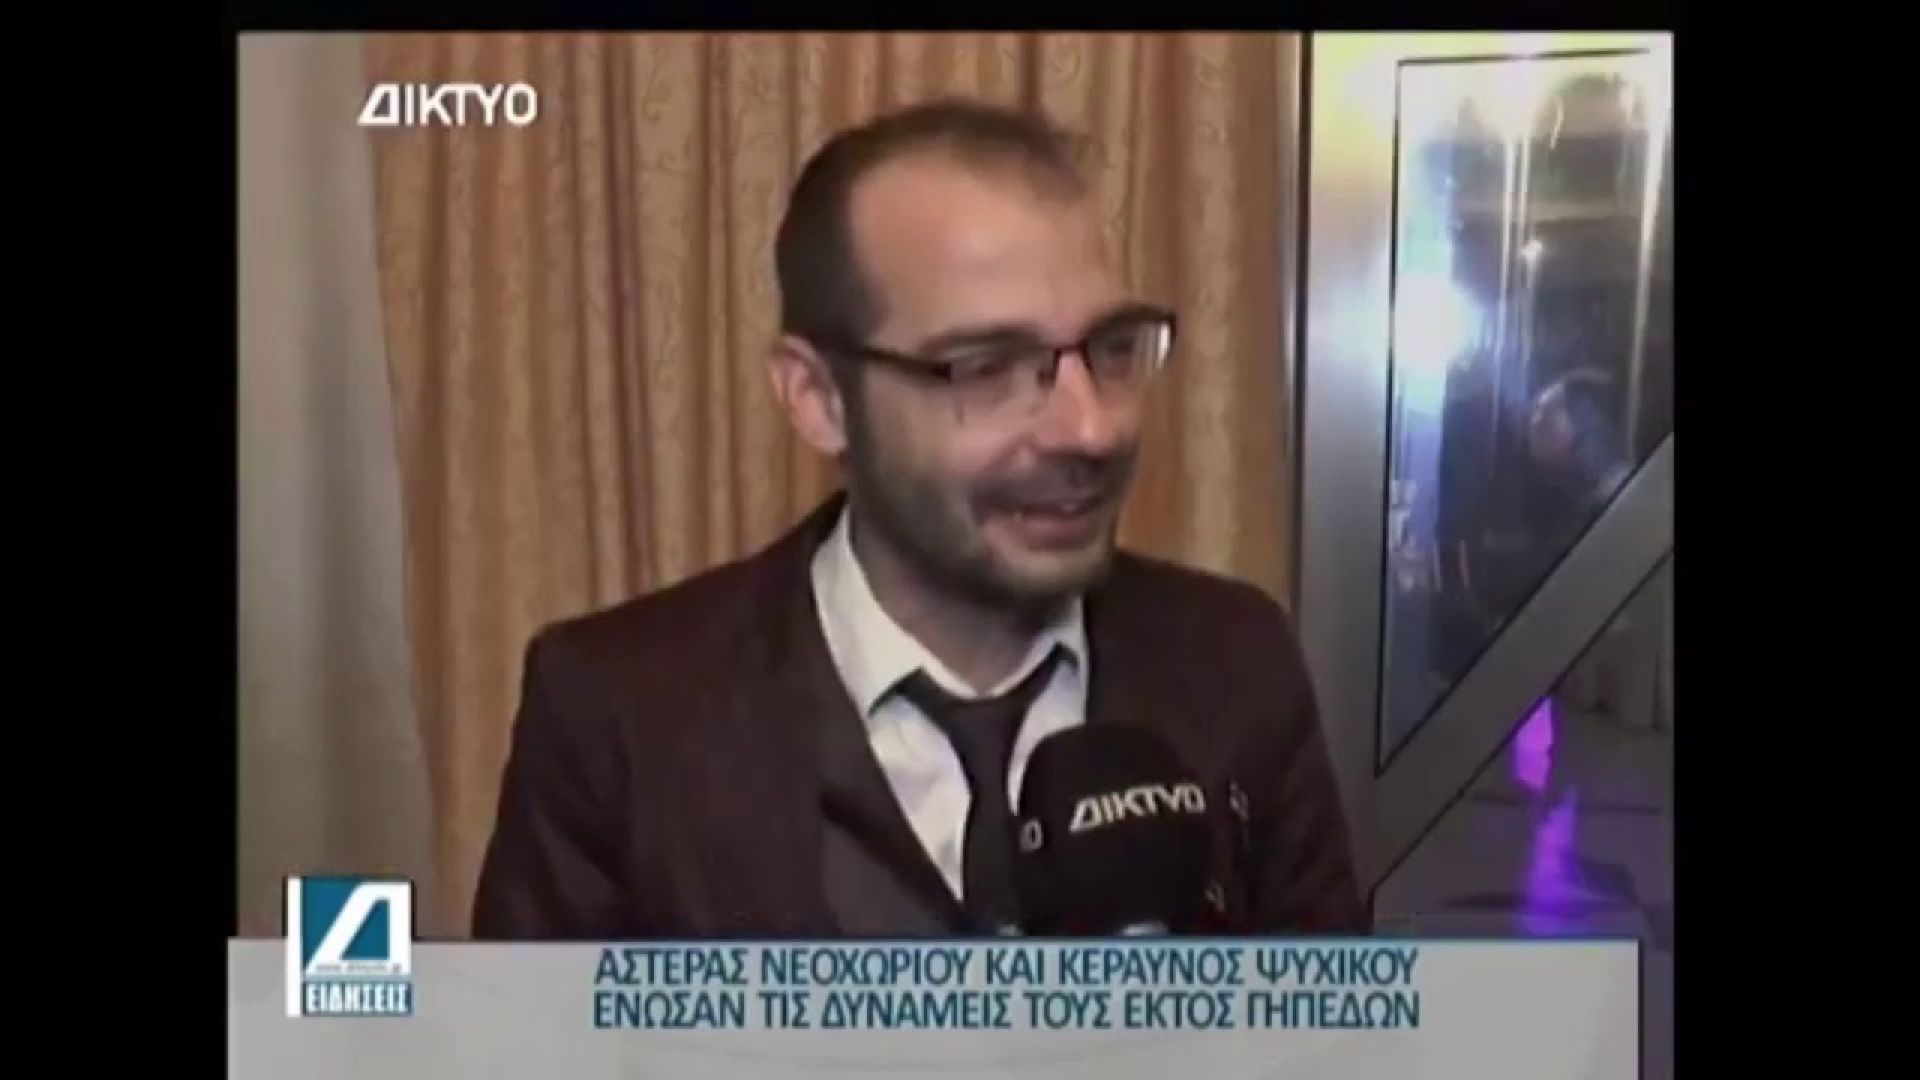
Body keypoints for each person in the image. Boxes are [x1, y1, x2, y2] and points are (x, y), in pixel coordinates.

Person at [471, 98, 1366, 939]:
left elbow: (1337, 1027)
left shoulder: (1235, 665)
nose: (1089, 429)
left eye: (1111, 347)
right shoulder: (616, 715)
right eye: (985, 367)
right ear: (820, 399)